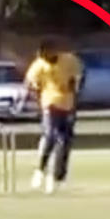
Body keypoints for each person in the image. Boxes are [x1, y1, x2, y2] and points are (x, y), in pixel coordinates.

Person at [24, 38, 83, 194]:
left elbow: (77, 80)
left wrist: (74, 101)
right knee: (50, 135)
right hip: (49, 104)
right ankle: (40, 170)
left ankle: (57, 177)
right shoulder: (39, 65)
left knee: (64, 141)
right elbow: (29, 82)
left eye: (47, 54)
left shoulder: (69, 61)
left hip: (67, 104)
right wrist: (35, 97)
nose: (45, 58)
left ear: (53, 50)